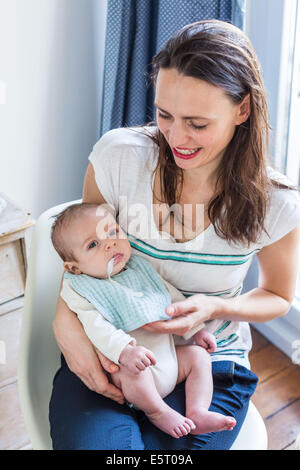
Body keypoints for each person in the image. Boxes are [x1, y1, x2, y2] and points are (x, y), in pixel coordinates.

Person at [49, 19, 300, 450]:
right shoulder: (119, 158)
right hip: (118, 352)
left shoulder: (277, 203)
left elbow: (278, 296)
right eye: (165, 115)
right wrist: (65, 322)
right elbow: (81, 259)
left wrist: (214, 307)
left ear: (242, 110)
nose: (176, 137)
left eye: (197, 123)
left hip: (207, 358)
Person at [50, 202, 237, 438]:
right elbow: (96, 328)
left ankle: (198, 411)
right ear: (74, 268)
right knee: (129, 371)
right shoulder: (83, 289)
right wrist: (125, 352)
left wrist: (196, 330)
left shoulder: (139, 269)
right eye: (94, 244)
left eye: (112, 232)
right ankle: (157, 411)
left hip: (170, 362)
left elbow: (170, 299)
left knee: (199, 356)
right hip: (130, 373)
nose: (110, 243)